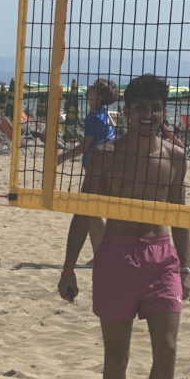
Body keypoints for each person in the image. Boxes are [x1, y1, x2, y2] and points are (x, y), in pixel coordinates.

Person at [58, 74, 190, 379]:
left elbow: (180, 216)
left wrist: (186, 266)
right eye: (140, 108)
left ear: (163, 112)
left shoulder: (175, 156)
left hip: (161, 256)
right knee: (116, 355)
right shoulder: (105, 154)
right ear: (127, 112)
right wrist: (68, 266)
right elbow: (83, 212)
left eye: (155, 108)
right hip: (116, 255)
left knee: (167, 350)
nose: (148, 115)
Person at [58, 78, 120, 255]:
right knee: (91, 212)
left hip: (99, 168)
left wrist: (61, 158)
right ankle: (99, 253)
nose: (89, 88)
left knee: (92, 210)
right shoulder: (100, 114)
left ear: (99, 96)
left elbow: (84, 146)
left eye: (94, 87)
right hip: (102, 166)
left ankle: (109, 252)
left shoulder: (95, 117)